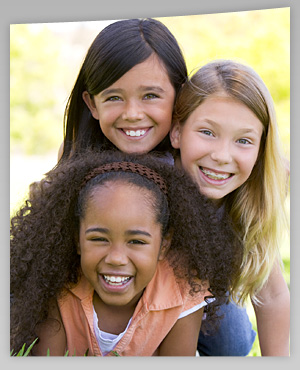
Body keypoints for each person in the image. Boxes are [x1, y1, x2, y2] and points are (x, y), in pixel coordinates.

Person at [10, 150, 242, 356]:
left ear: (164, 244)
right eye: (99, 239)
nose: (116, 258)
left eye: (136, 241)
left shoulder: (183, 289)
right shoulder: (55, 281)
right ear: (77, 240)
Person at [170, 59, 290, 356]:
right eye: (207, 132)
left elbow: (273, 294)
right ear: (177, 132)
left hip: (201, 290)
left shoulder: (250, 196)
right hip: (138, 292)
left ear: (261, 150)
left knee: (233, 339)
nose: (222, 156)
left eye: (244, 140)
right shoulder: (149, 183)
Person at [58, 18, 187, 161]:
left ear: (180, 97)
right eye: (114, 98)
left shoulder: (193, 162)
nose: (132, 114)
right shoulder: (74, 156)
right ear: (92, 104)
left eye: (150, 96)